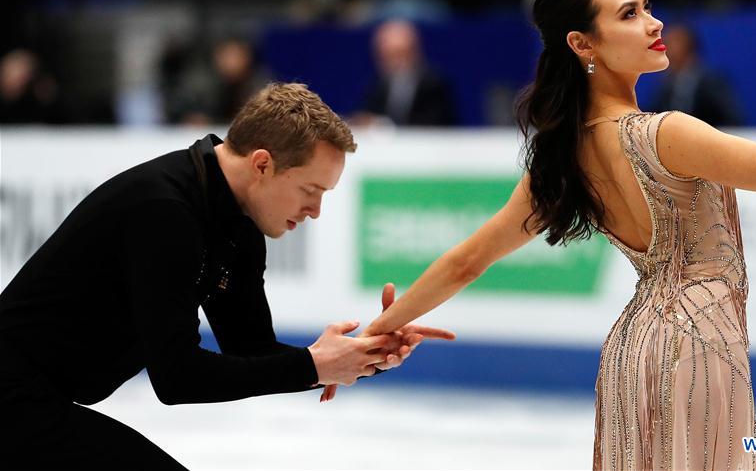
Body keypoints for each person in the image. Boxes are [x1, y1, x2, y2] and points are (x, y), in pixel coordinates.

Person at [324, 0, 756, 469]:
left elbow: (468, 260)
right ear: (582, 43)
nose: (654, 23)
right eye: (630, 14)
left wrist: (373, 335)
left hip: (632, 351)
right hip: (701, 348)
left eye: (647, 6)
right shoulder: (669, 133)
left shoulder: (563, 154)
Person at [0, 82, 454, 469]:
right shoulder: (164, 210)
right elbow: (176, 378)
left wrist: (361, 354)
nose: (315, 211)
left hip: (40, 399)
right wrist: (313, 365)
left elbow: (250, 352)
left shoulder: (237, 224)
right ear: (262, 164)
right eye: (310, 190)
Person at [354, 19, 456, 127]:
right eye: (387, 56)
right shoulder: (380, 86)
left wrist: (384, 126)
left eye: (400, 54)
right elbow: (367, 115)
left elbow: (434, 126)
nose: (395, 62)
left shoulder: (434, 85)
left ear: (414, 51)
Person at [650, 23, 744, 127]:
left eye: (674, 42)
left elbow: (732, 119)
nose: (667, 47)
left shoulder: (710, 82)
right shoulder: (667, 87)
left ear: (689, 47)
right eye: (665, 42)